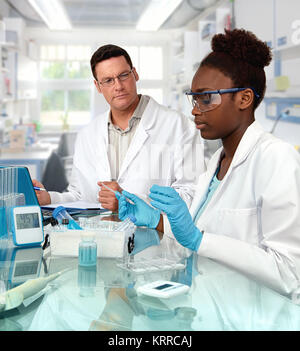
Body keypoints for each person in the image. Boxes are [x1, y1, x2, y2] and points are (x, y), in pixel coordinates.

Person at [116, 29, 300, 296]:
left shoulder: (276, 159)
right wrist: (157, 220)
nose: (194, 108)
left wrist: (199, 240)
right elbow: (195, 237)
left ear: (244, 99)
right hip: (209, 309)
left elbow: (291, 273)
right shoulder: (217, 161)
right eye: (194, 97)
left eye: (206, 98)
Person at [33, 45, 205, 211]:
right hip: (101, 237)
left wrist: (129, 203)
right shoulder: (88, 135)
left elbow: (194, 194)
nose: (118, 86)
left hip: (156, 237)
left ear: (135, 74)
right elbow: (79, 196)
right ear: (98, 87)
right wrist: (50, 198)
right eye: (108, 80)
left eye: (123, 75)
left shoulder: (179, 126)